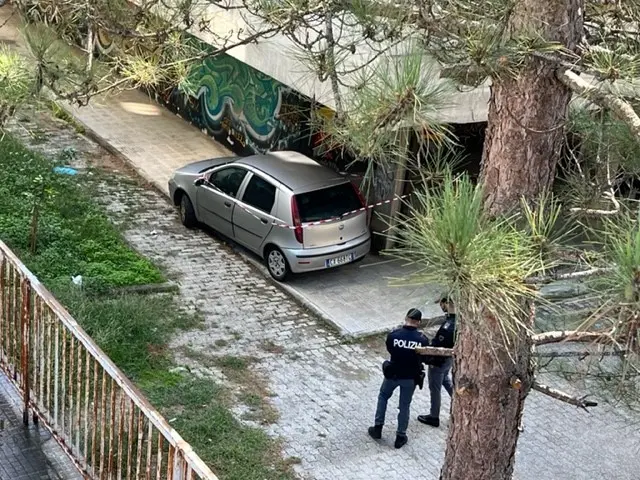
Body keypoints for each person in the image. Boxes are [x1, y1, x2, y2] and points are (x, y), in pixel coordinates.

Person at [368, 308, 429, 449]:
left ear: (406, 318)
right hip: (410, 377)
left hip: (393, 375)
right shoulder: (422, 340)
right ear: (418, 322)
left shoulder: (393, 336)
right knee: (404, 405)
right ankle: (400, 436)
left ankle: (378, 428)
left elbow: (390, 350)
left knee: (383, 397)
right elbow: (424, 357)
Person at [417, 295, 456, 428]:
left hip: (439, 360)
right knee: (445, 380)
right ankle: (459, 401)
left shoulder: (448, 326)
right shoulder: (457, 320)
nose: (441, 307)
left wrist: (428, 355)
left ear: (446, 303)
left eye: (441, 303)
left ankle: (434, 416)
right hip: (448, 359)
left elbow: (439, 345)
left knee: (435, 388)